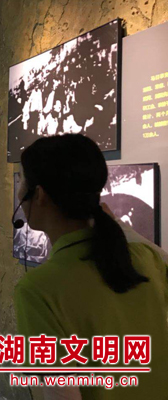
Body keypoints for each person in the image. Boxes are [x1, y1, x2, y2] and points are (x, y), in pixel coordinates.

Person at [14, 134, 168, 400]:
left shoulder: (37, 290)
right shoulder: (146, 258)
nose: (19, 193)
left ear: (38, 195)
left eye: (21, 181)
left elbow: (61, 394)